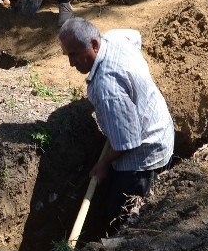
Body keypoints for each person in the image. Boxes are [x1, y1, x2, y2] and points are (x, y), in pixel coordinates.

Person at [58, 17, 174, 221]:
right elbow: (136, 37)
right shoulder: (114, 38)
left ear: (94, 44)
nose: (71, 63)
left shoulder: (107, 89)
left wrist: (103, 164)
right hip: (160, 126)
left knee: (120, 215)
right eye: (67, 55)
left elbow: (127, 142)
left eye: (74, 54)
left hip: (145, 156)